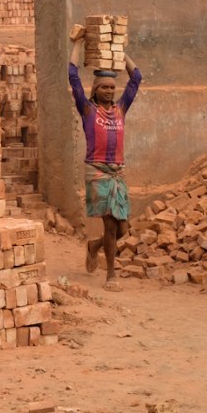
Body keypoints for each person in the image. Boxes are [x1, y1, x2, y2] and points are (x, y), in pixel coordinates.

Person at [68, 25, 142, 291]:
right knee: (110, 225)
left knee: (123, 230)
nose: (110, 91)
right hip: (98, 171)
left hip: (117, 173)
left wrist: (118, 51)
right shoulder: (88, 110)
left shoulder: (121, 109)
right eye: (105, 88)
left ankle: (94, 246)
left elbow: (137, 78)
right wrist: (78, 43)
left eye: (113, 87)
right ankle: (111, 275)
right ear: (96, 89)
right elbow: (73, 76)